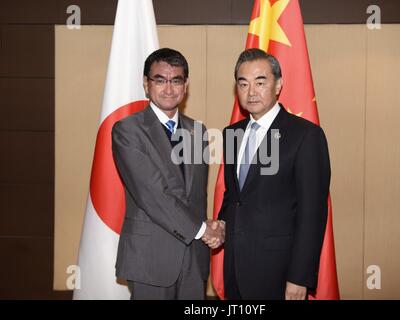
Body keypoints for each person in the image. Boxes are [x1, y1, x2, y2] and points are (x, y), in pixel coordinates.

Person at [111, 48, 224, 300]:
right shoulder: (128, 130)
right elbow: (152, 193)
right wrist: (202, 230)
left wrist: (214, 226)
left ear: (185, 85)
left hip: (194, 258)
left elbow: (195, 195)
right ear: (146, 84)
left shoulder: (198, 131)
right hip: (151, 257)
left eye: (176, 80)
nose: (169, 88)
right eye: (160, 80)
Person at [218, 48, 331, 300]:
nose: (251, 92)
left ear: (278, 84)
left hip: (279, 273)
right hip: (235, 267)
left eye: (261, 82)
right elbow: (235, 195)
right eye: (243, 83)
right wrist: (222, 224)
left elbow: (312, 212)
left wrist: (299, 276)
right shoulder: (232, 134)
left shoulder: (305, 136)